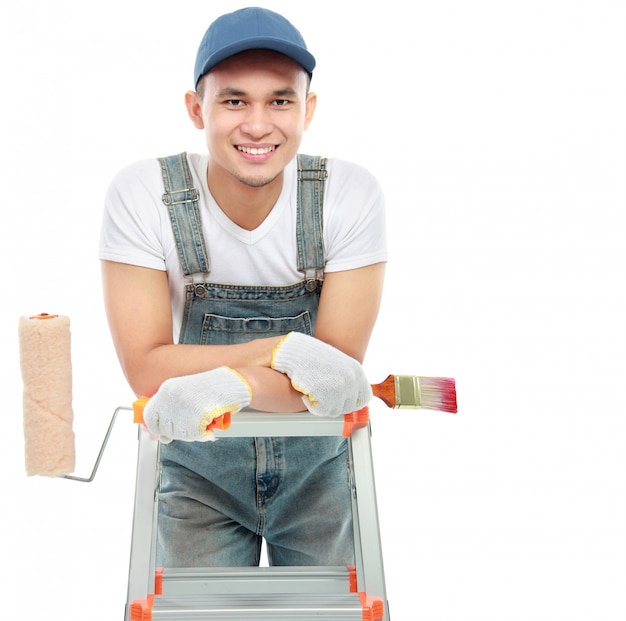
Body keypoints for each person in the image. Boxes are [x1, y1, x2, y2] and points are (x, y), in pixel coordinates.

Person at [99, 6, 387, 568]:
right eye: (234, 100)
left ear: (309, 108)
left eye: (280, 100)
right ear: (195, 108)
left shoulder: (348, 195)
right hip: (196, 474)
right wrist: (277, 353)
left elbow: (331, 382)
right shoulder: (145, 194)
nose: (257, 126)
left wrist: (231, 385)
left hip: (319, 470)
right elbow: (146, 367)